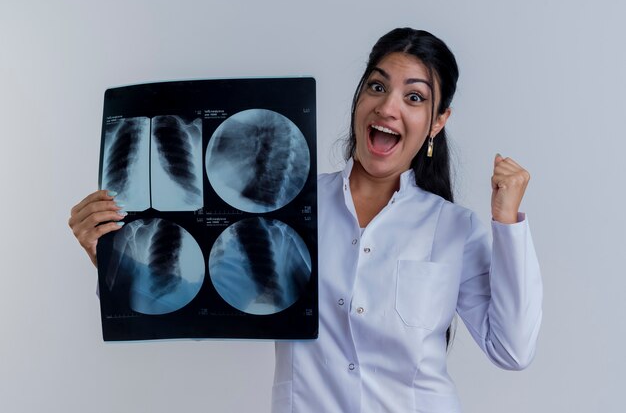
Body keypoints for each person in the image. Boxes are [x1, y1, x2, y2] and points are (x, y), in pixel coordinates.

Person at [68, 27, 542, 413]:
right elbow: (201, 305)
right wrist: (111, 253)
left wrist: (507, 223)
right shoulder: (284, 203)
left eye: (414, 98)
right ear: (359, 99)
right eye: (377, 86)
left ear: (438, 122)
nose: (388, 106)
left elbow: (512, 350)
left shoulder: (455, 228)